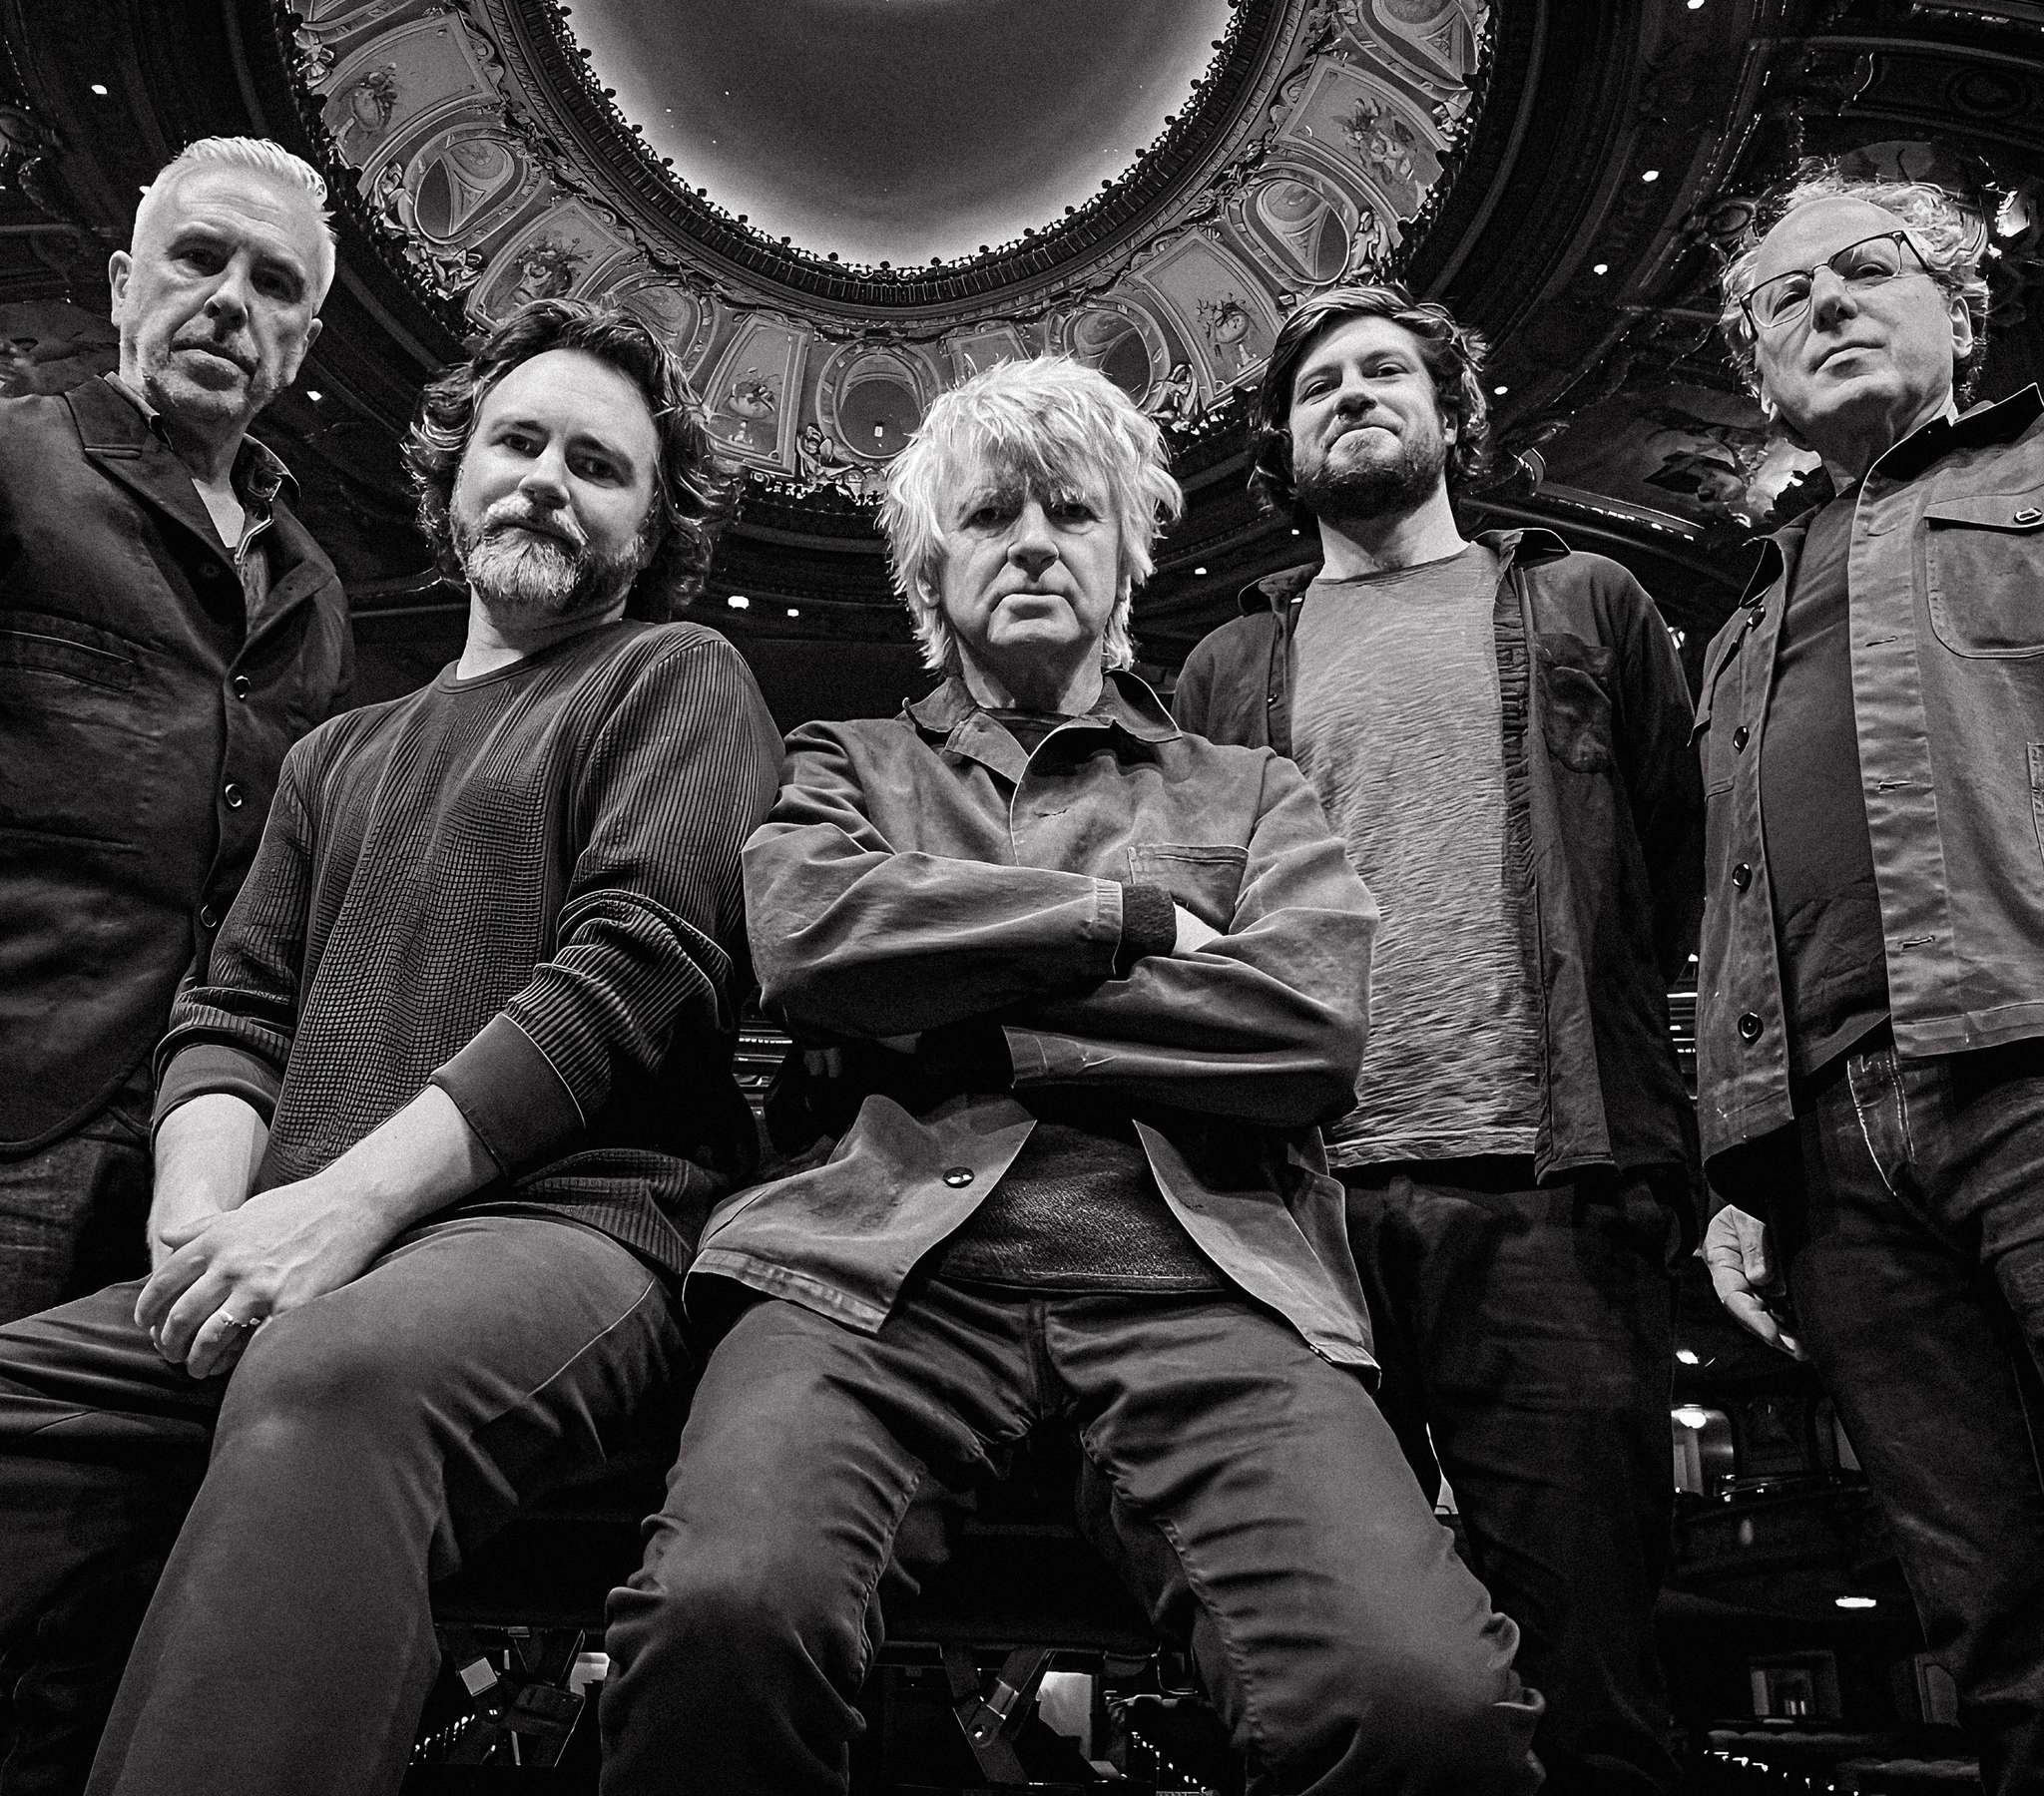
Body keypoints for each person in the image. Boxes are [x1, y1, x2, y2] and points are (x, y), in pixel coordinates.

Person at [601, 354, 1544, 1796]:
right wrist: (1126, 919)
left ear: (1125, 558)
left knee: (1430, 1705)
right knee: (721, 1620)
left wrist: (982, 1022)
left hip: (1206, 1288)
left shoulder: (1253, 788)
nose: (1033, 542)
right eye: (989, 517)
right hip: (865, 1278)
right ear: (931, 568)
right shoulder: (844, 760)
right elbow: (809, 938)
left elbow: (1308, 1022)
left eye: (1071, 513)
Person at [0, 299, 781, 1796]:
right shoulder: (333, 753)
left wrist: (341, 1209)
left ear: (654, 524)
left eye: (597, 466)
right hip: (294, 1237)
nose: (545, 479)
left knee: (327, 1376)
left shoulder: (675, 674)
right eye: (518, 442)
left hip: (567, 1229)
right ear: (455, 472)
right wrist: (197, 1229)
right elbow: (233, 1014)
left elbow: (630, 971)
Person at [1175, 283, 1702, 1796]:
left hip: (1550, 1193)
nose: (1351, 394)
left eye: (1384, 371)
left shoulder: (1587, 601)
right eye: (1318, 384)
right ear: (1283, 446)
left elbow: (1667, 862)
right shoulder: (1224, 668)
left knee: (1593, 1673)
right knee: (1319, 1669)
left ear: (1451, 412)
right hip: (1294, 1214)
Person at [1696, 168, 2044, 1794]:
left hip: (2026, 1056)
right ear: (1760, 373)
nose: (1826, 301)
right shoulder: (1736, 623)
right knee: (1991, 1615)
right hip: (1827, 1155)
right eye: (1786, 295)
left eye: (1868, 268)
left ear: (1961, 313)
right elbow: (1729, 905)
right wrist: (1739, 1172)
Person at [0, 137, 353, 1323]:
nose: (230, 301)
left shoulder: (313, 587)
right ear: (121, 285)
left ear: (300, 344)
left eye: (273, 283)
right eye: (199, 258)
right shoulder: (14, 460)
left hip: (197, 1138)